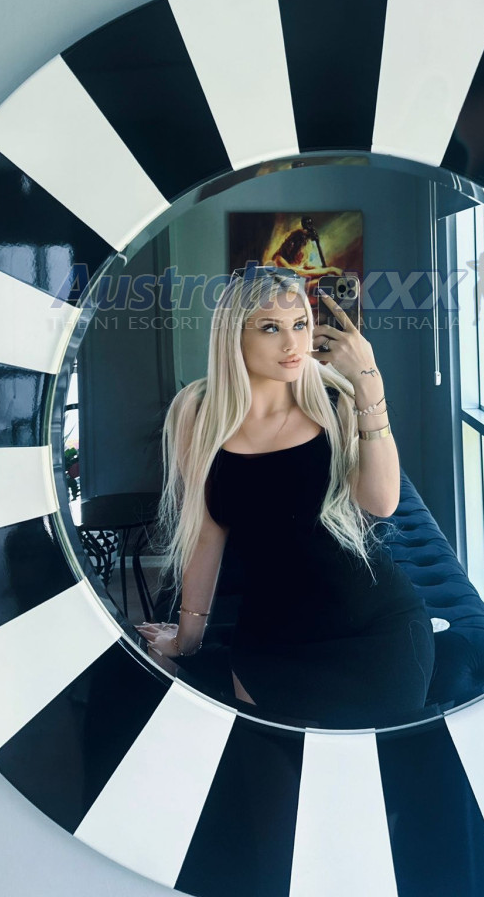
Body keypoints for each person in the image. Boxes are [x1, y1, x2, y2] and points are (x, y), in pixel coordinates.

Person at [137, 265, 435, 728]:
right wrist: (186, 640)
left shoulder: (335, 402)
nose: (292, 343)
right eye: (271, 328)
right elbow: (206, 532)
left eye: (300, 324)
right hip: (271, 638)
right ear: (233, 335)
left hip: (375, 630)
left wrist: (368, 384)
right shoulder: (197, 412)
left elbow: (382, 503)